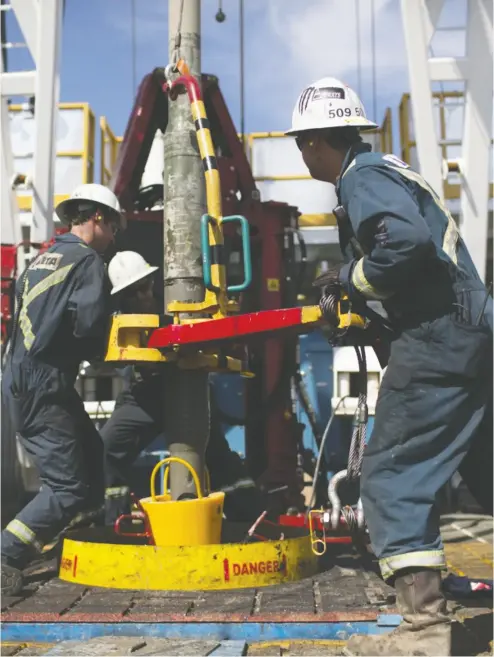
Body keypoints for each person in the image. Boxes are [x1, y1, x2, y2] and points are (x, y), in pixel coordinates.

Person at [286, 77, 493, 656]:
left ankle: (424, 633)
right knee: (483, 467)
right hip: (468, 334)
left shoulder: (362, 179)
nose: (301, 154)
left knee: (392, 477)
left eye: (302, 143)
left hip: (439, 341)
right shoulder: (390, 170)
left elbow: (404, 246)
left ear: (313, 142)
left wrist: (346, 279)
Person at [1, 184, 125, 596]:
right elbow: (89, 327)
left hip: (26, 379)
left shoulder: (41, 259)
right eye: (114, 228)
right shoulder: (88, 261)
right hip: (44, 383)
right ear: (100, 220)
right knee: (68, 487)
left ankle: (82, 535)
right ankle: (6, 555)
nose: (113, 239)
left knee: (92, 452)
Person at [102, 251, 265, 526]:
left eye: (143, 287)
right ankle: (114, 524)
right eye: (132, 293)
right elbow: (120, 361)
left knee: (215, 455)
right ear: (122, 296)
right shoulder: (119, 320)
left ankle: (252, 520)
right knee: (106, 448)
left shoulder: (176, 306)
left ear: (152, 281)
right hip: (143, 396)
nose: (141, 297)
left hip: (187, 388)